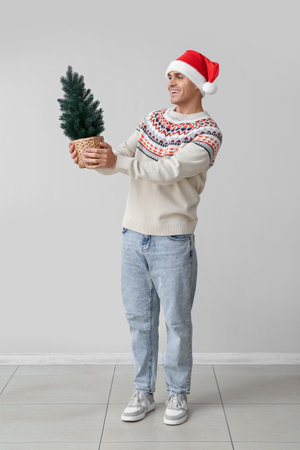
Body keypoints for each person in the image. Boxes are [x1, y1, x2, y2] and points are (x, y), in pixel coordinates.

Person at [69, 50, 223, 425]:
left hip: (173, 241)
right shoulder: (153, 119)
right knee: (139, 319)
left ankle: (178, 394)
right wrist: (94, 156)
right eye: (169, 76)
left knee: (176, 322)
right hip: (132, 234)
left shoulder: (209, 133)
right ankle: (143, 391)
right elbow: (122, 155)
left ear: (198, 84)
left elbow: (168, 170)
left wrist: (116, 162)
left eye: (179, 77)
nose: (171, 82)